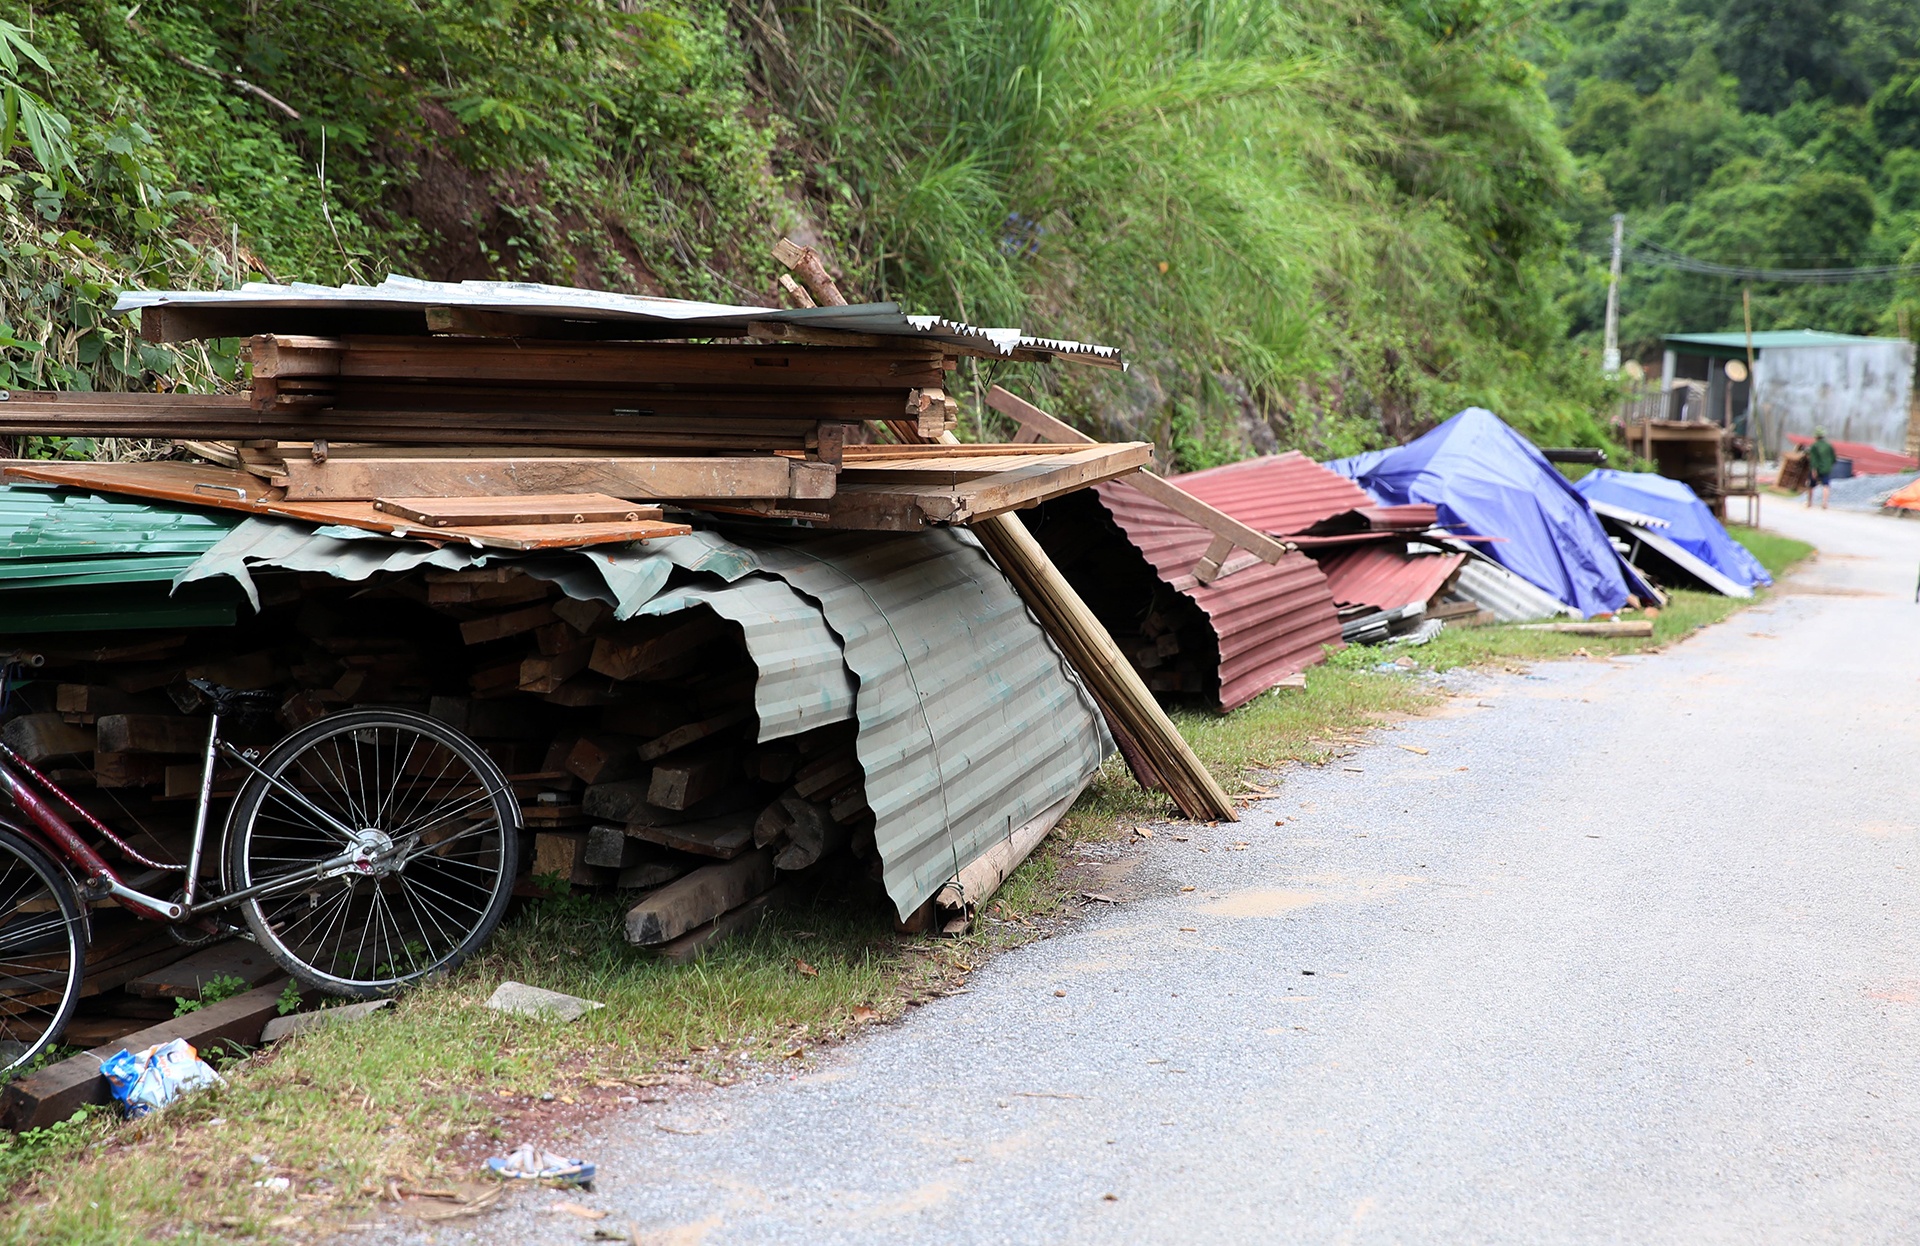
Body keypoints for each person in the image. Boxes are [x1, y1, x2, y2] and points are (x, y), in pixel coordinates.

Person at [1805, 428, 1836, 508]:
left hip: (1817, 468)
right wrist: (1829, 465)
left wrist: (1814, 469)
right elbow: (1833, 458)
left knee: (1811, 485)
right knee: (1826, 485)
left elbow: (1813, 459)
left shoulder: (1814, 446)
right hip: (1826, 469)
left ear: (1816, 436)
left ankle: (1809, 502)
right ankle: (1825, 503)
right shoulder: (1829, 446)